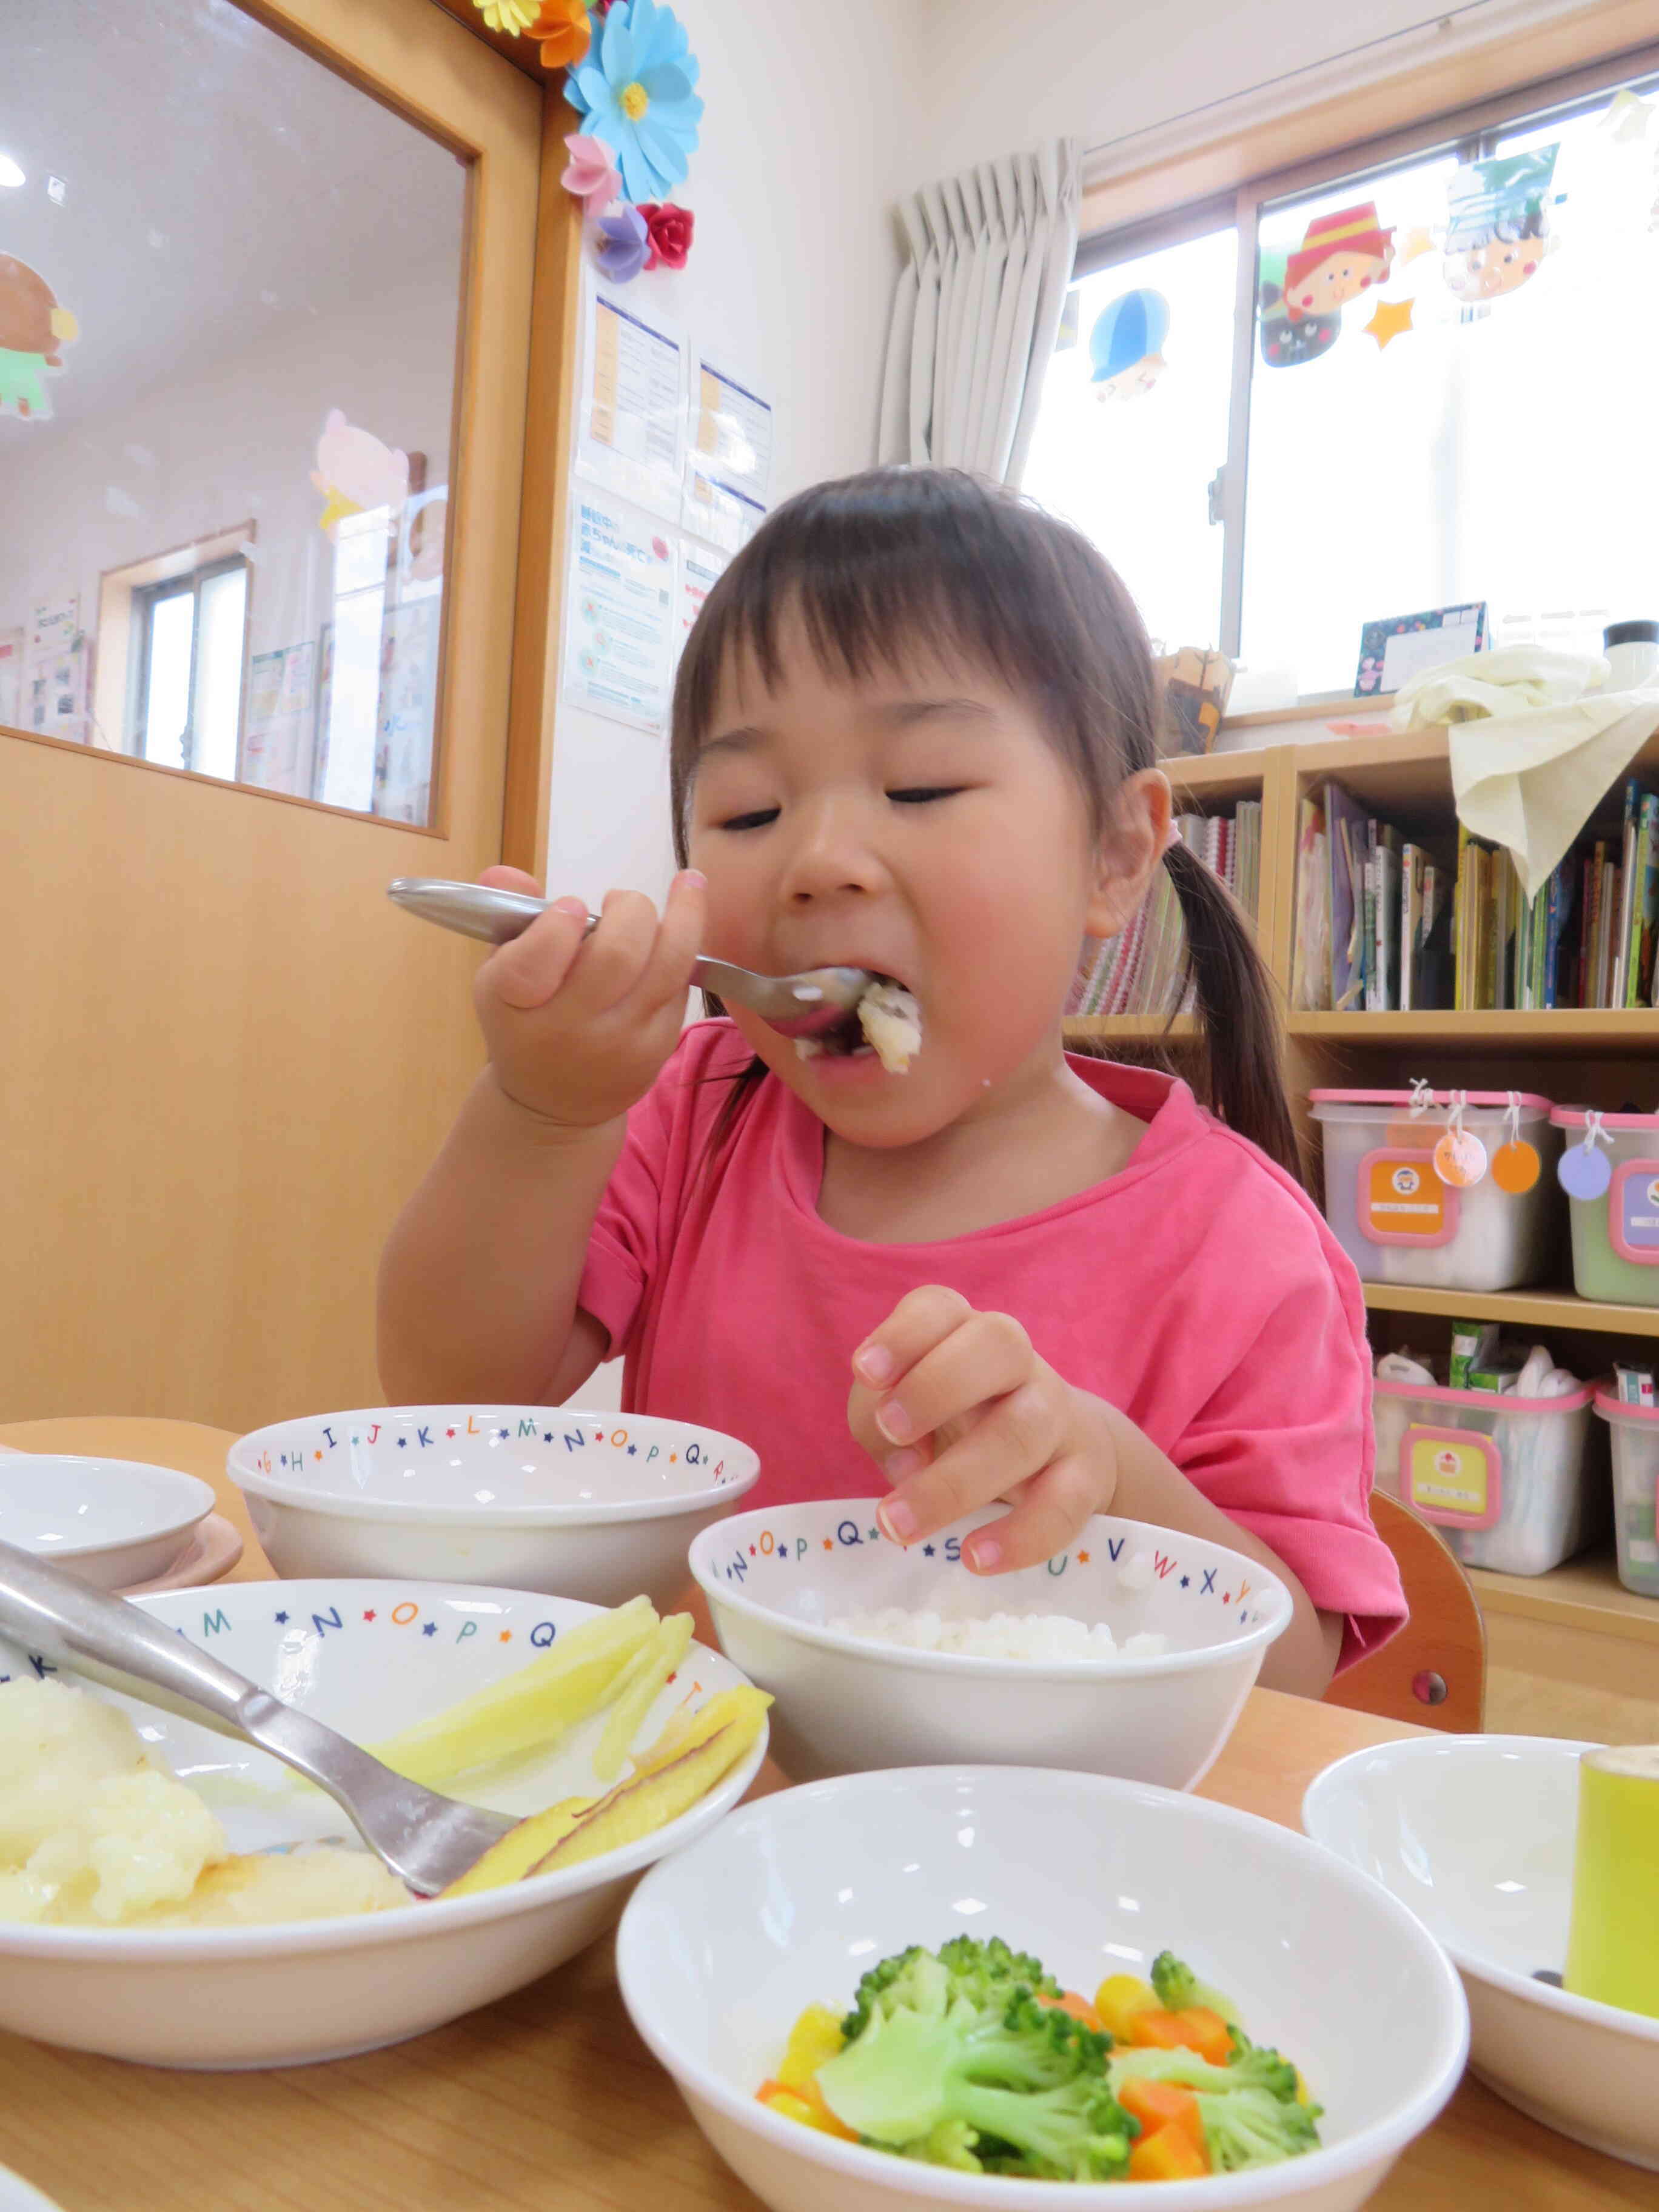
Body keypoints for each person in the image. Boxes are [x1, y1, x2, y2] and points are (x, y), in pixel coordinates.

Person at [379, 470, 1405, 1696]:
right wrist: (544, 1114)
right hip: (698, 1799)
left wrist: (1111, 1475)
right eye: (749, 811)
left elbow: (1293, 1675)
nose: (817, 861)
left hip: (1028, 1845)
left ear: (1118, 856)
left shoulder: (1242, 1249)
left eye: (920, 788)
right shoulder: (696, 1113)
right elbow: (454, 1393)